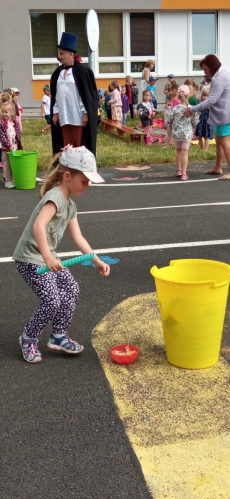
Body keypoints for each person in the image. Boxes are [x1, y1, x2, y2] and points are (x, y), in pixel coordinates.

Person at [12, 145, 110, 364]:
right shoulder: (55, 196)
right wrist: (47, 257)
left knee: (71, 289)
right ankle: (28, 337)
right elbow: (39, 226)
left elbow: (79, 238)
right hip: (30, 259)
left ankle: (58, 335)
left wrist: (97, 261)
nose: (87, 186)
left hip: (48, 258)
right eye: (84, 180)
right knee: (52, 300)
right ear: (67, 176)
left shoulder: (70, 205)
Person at [51, 32, 98, 156]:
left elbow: (86, 95)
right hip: (64, 116)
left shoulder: (83, 71)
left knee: (80, 147)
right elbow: (56, 95)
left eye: (61, 53)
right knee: (67, 148)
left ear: (71, 54)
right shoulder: (58, 73)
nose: (59, 56)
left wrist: (86, 113)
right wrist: (55, 112)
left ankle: (81, 171)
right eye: (58, 53)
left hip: (77, 117)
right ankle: (70, 171)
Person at [184, 54, 230, 179]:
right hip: (224, 114)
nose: (205, 72)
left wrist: (193, 109)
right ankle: (217, 167)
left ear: (212, 66)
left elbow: (211, 100)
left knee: (225, 142)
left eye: (205, 69)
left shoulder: (220, 78)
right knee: (219, 140)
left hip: (225, 115)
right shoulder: (222, 75)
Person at [165, 85, 199, 180]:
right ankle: (184, 173)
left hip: (176, 133)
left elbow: (168, 120)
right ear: (188, 96)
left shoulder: (175, 109)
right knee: (185, 152)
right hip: (187, 133)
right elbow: (195, 122)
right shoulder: (192, 109)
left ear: (178, 96)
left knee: (178, 150)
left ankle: (179, 169)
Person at [0, 101, 22, 188]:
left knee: (14, 164)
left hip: (14, 146)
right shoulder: (2, 123)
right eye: (3, 112)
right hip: (6, 148)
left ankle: (13, 179)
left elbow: (18, 134)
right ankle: (7, 180)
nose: (5, 114)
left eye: (6, 112)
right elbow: (2, 136)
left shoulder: (14, 122)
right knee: (6, 164)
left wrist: (19, 145)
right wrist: (8, 145)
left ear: (12, 112)